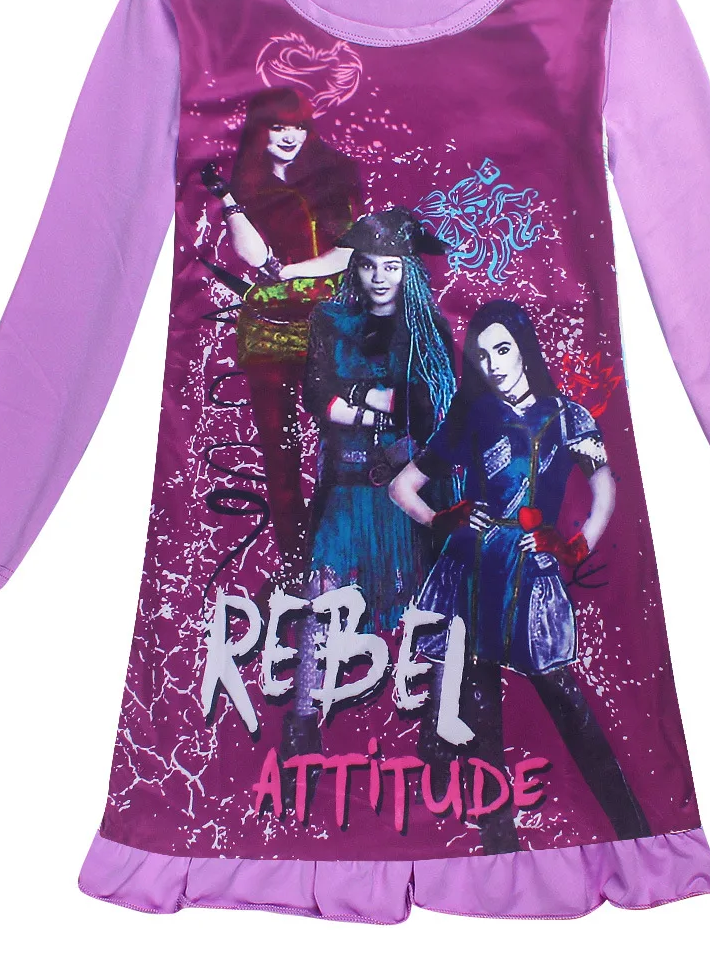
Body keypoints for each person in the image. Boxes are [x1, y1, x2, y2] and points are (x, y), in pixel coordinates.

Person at [388, 298, 651, 853]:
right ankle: (498, 851)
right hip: (471, 572)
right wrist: (441, 518)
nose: (493, 365)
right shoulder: (472, 416)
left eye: (502, 349)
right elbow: (401, 487)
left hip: (530, 571)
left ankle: (636, 835)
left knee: (567, 703)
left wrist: (574, 545)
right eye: (481, 356)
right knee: (481, 718)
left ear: (524, 350)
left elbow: (605, 487)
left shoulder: (567, 417)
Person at [280, 206, 457, 763]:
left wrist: (358, 399)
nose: (380, 277)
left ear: (408, 270)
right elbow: (317, 396)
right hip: (346, 482)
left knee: (431, 602)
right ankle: (301, 724)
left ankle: (438, 723)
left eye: (392, 266)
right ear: (354, 267)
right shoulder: (330, 320)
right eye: (369, 265)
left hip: (409, 486)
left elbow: (429, 410)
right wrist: (372, 402)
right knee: (320, 595)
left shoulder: (429, 329)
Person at [200, 87, 365, 584]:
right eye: (278, 126)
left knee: (343, 441)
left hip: (329, 326)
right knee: (280, 450)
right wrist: (230, 200)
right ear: (260, 131)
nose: (289, 136)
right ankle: (295, 565)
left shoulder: (336, 176)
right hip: (267, 331)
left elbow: (347, 253)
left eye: (297, 126)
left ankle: (341, 557)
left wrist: (290, 271)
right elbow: (252, 257)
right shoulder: (244, 184)